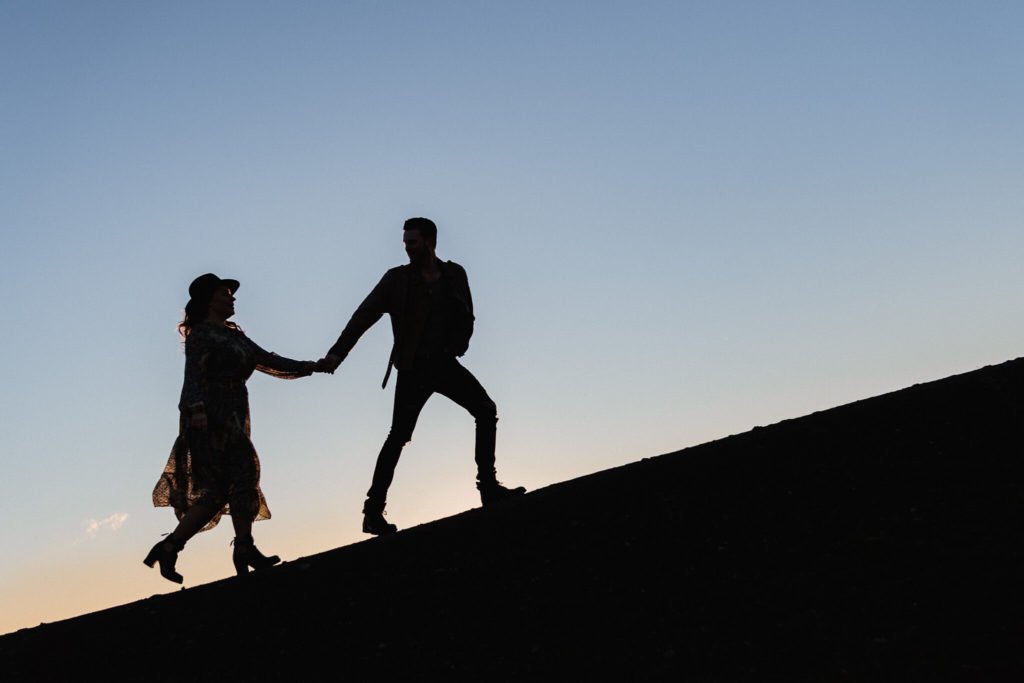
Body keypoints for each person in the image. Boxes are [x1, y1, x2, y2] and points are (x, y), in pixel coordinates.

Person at [320, 217, 525, 536]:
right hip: (413, 368)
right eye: (405, 242)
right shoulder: (396, 280)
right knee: (398, 436)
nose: (407, 247)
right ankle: (372, 513)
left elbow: (468, 314)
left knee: (485, 409)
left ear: (429, 241)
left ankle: (488, 488)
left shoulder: (454, 274)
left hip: (443, 364)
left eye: (412, 242)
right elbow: (364, 315)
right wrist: (337, 353)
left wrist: (458, 345)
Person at [145, 273, 324, 584]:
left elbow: (267, 359)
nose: (233, 298)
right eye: (226, 293)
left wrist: (309, 366)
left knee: (218, 491)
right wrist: (197, 409)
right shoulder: (201, 334)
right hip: (209, 415)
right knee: (243, 475)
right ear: (210, 299)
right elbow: (192, 376)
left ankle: (170, 547)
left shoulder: (234, 335)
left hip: (234, 412)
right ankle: (244, 548)